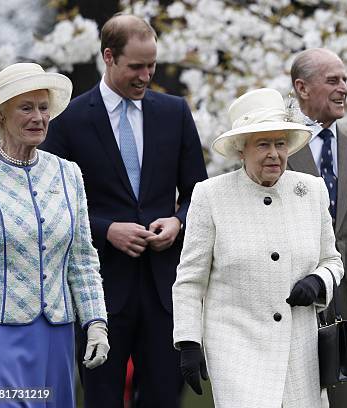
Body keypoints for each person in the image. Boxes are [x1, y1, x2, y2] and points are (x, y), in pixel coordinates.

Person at [40, 14, 208, 408]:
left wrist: (178, 221)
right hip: (98, 293)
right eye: (136, 66)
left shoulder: (174, 112)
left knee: (165, 399)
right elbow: (51, 203)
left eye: (151, 65)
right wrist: (107, 229)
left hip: (165, 292)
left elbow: (199, 193)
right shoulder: (68, 120)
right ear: (108, 57)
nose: (146, 75)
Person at [172, 88, 344, 408]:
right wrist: (188, 343)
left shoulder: (312, 191)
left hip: (299, 350)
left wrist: (318, 281)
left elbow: (332, 260)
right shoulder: (211, 196)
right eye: (263, 144)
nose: (274, 154)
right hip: (235, 347)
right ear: (242, 150)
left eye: (280, 144)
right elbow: (190, 279)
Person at [0, 62, 109, 407]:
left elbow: (82, 259)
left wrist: (96, 322)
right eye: (26, 108)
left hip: (57, 332)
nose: (38, 117)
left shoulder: (68, 174)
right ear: (2, 116)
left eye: (43, 108)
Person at [288, 48, 347, 408]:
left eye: (345, 79)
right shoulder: (278, 145)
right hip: (301, 299)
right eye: (333, 80)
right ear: (303, 88)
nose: (344, 88)